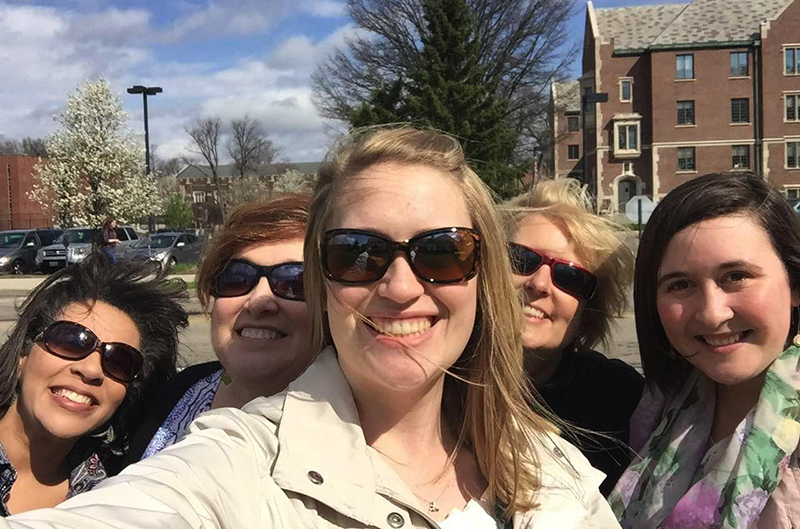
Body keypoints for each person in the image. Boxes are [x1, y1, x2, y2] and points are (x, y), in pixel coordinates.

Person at [0, 127, 620, 528]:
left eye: (441, 251)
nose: (402, 288)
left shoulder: (552, 465)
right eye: (357, 253)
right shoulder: (237, 462)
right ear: (327, 284)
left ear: (482, 275)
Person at [609, 172, 800, 528]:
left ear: (795, 284)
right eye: (681, 284)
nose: (712, 314)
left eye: (737, 276)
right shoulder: (652, 412)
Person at [121, 194, 313, 464]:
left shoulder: (358, 433)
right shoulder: (181, 390)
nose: (258, 302)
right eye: (237, 278)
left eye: (294, 282)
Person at [0, 254, 187, 515]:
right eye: (70, 340)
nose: (90, 369)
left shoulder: (121, 497)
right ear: (24, 354)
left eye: (120, 361)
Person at [504, 179, 643, 496]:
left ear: (589, 313)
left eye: (570, 277)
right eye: (522, 259)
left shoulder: (620, 401)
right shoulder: (435, 383)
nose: (539, 284)